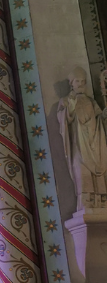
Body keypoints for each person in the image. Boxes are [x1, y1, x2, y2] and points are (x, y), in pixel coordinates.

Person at [57, 67, 107, 209]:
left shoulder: (91, 101)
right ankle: (86, 202)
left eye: (83, 81)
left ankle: (101, 200)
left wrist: (104, 116)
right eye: (77, 81)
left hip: (95, 143)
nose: (80, 84)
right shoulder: (66, 100)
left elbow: (99, 120)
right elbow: (63, 118)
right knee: (82, 170)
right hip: (78, 144)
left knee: (99, 169)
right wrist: (70, 107)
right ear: (71, 83)